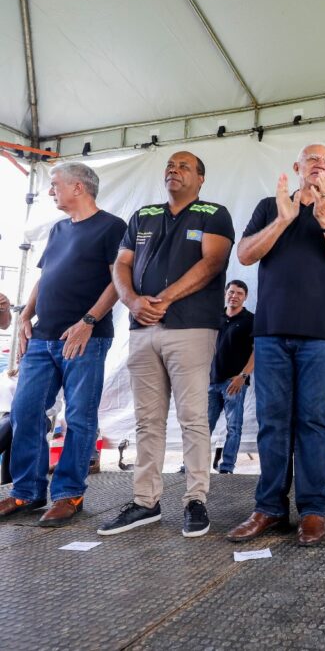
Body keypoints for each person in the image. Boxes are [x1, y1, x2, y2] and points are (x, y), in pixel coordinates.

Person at [227, 143, 325, 547]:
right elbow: (244, 255)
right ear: (297, 168)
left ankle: (313, 510)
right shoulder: (270, 207)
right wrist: (283, 220)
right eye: (312, 160)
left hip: (321, 335)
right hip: (271, 333)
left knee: (314, 424)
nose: (320, 166)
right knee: (272, 423)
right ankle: (268, 508)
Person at [99, 151, 234, 538]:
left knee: (193, 418)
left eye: (184, 166)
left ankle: (195, 500)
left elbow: (213, 263)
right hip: (142, 329)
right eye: (170, 166)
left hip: (191, 328)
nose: (174, 170)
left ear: (201, 178)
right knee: (147, 421)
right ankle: (145, 502)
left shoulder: (213, 213)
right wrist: (132, 301)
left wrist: (164, 298)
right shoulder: (143, 215)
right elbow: (121, 265)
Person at [0, 163, 125, 527]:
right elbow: (45, 276)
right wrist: (26, 315)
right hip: (43, 337)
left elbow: (119, 281)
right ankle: (27, 491)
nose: (50, 190)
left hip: (85, 338)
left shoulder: (112, 227)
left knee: (80, 417)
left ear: (78, 187)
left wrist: (88, 322)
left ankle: (69, 493)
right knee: (24, 411)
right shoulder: (58, 228)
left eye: (55, 184)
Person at [208, 280, 254, 474]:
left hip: (234, 382)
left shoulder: (250, 320)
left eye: (239, 293)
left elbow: (257, 351)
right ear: (225, 293)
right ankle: (191, 465)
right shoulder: (214, 316)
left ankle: (227, 467)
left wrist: (243, 376)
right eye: (231, 292)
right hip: (211, 381)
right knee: (202, 427)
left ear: (245, 297)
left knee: (233, 427)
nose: (234, 296)